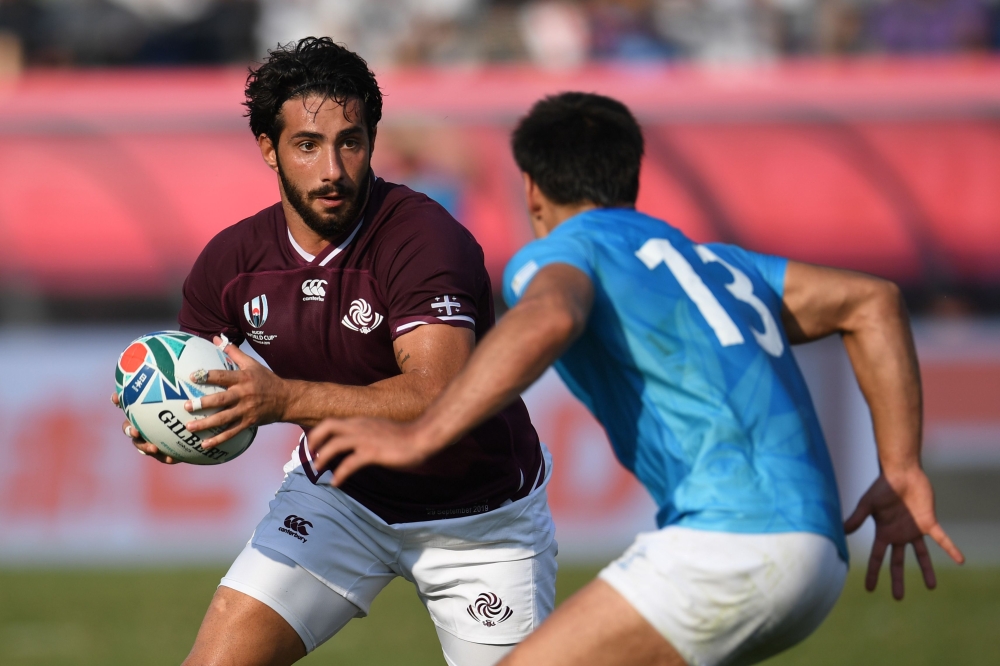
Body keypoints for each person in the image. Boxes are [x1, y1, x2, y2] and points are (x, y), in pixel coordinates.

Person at [307, 92, 966, 666]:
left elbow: (549, 317)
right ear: (630, 180)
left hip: (729, 546)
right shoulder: (716, 263)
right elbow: (872, 301)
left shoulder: (564, 252)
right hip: (818, 557)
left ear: (533, 190)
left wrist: (422, 434)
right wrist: (902, 467)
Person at [113, 37, 556, 666]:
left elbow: (438, 393)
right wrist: (170, 424)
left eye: (350, 141)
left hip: (479, 521)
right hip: (342, 496)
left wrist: (282, 399)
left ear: (373, 141)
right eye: (307, 144)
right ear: (268, 149)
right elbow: (193, 377)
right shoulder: (232, 264)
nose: (332, 170)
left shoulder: (424, 239)